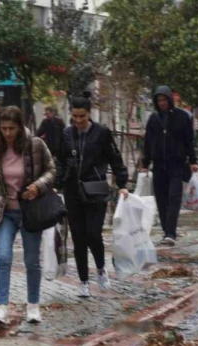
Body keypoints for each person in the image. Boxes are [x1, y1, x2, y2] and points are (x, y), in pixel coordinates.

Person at [0, 106, 55, 325]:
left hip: (30, 212)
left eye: (12, 128)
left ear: (20, 126)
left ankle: (33, 305)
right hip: (4, 212)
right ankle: (1, 307)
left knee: (31, 260)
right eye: (4, 128)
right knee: (3, 257)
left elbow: (51, 170)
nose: (8, 133)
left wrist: (37, 186)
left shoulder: (35, 145)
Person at [52, 96, 129, 297]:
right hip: (72, 191)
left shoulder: (102, 133)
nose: (78, 120)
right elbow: (61, 161)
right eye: (75, 116)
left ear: (89, 114)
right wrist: (56, 185)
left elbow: (115, 158)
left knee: (93, 234)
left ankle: (101, 268)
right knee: (78, 237)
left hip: (95, 190)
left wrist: (122, 184)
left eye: (82, 116)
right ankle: (83, 281)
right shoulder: (67, 134)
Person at [141, 86, 198, 246]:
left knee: (174, 197)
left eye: (164, 100)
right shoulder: (153, 119)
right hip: (158, 165)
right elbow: (148, 142)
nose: (162, 103)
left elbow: (189, 141)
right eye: (159, 100)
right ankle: (166, 230)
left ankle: (171, 232)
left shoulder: (182, 117)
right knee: (161, 199)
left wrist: (193, 161)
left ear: (169, 99)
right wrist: (145, 163)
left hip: (176, 164)